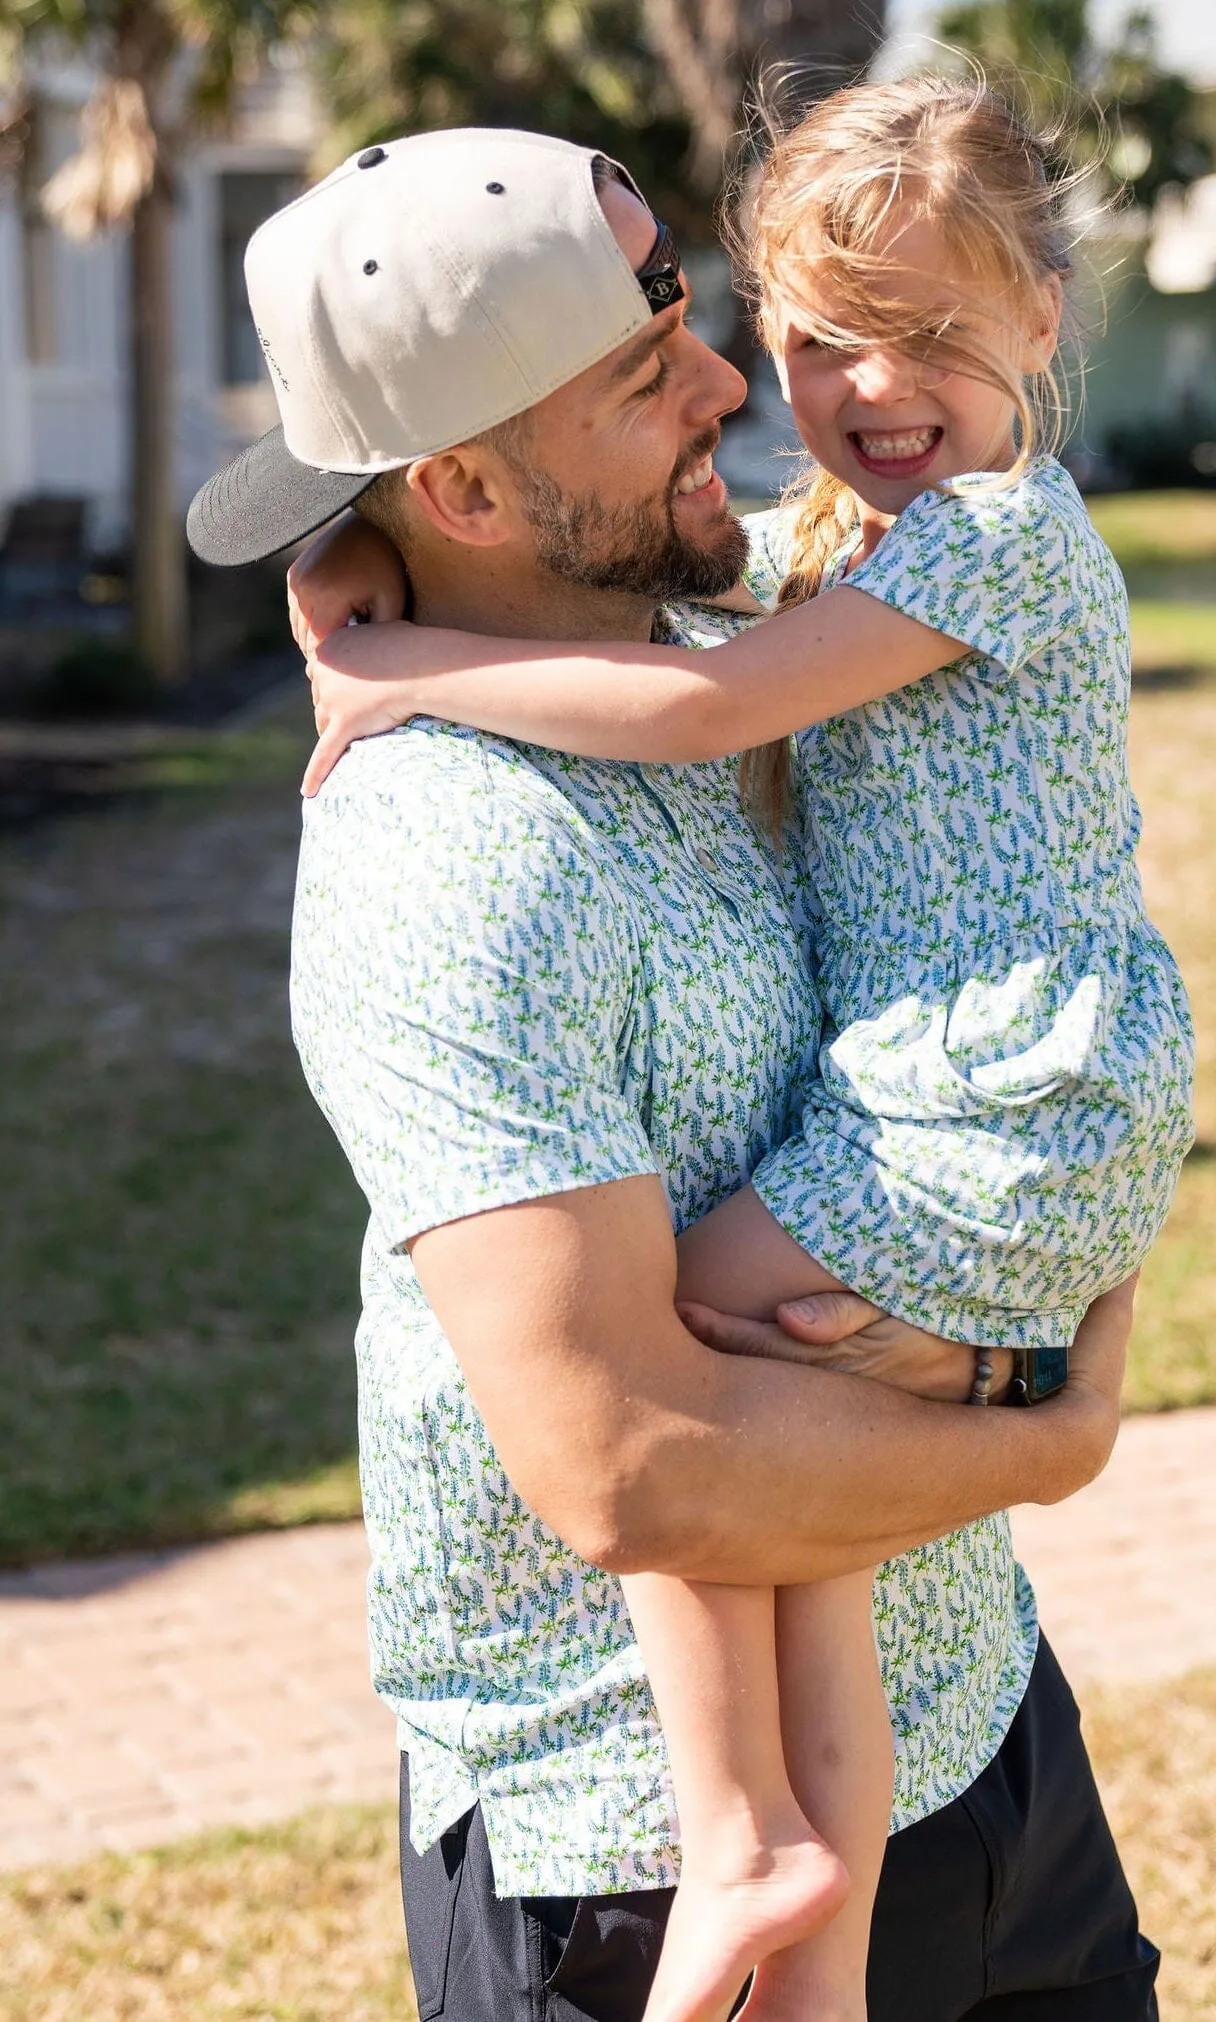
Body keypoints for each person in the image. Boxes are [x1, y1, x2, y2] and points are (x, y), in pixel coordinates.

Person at [190, 121, 1160, 2022]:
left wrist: (354, 597)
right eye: (651, 371)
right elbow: (631, 1465)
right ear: (465, 481)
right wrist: (1036, 1436)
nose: (735, 377)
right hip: (627, 1856)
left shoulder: (737, 630)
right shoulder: (450, 855)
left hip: (968, 1709)